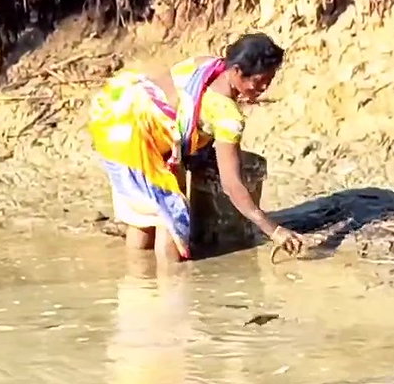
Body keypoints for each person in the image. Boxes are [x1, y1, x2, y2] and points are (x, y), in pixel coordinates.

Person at [87, 33, 305, 264]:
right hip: (138, 142)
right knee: (170, 221)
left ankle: (138, 284)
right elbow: (232, 185)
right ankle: (170, 286)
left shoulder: (206, 64)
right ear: (238, 71)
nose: (263, 87)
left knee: (143, 218)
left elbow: (175, 102)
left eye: (268, 80)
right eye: (259, 81)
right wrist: (273, 229)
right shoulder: (226, 115)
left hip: (116, 115)